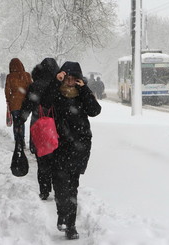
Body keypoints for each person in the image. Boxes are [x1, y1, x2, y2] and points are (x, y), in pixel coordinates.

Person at [41, 61, 101, 240]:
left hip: (79, 146)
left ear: (79, 79)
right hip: (59, 144)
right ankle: (62, 215)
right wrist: (55, 81)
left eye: (74, 78)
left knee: (72, 186)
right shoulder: (56, 93)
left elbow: (95, 110)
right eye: (67, 77)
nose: (69, 81)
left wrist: (84, 90)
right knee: (60, 185)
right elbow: (44, 102)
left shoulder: (82, 94)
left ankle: (71, 226)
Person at [19, 58, 60, 201]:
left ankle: (44, 189)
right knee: (55, 160)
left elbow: (27, 107)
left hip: (38, 126)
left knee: (41, 159)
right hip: (55, 127)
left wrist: (20, 120)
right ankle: (56, 187)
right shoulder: (58, 85)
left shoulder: (35, 86)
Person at [4, 58, 32, 146]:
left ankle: (18, 140)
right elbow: (31, 88)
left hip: (14, 103)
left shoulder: (10, 77)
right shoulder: (27, 75)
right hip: (24, 103)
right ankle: (22, 139)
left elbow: (7, 91)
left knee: (16, 122)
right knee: (21, 121)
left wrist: (8, 100)